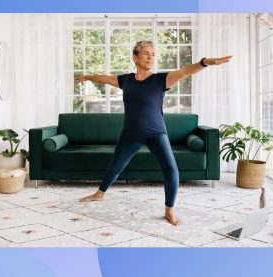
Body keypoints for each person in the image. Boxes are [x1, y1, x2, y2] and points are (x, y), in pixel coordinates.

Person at [75, 40, 231, 226]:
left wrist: (204, 62)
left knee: (171, 170)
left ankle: (169, 210)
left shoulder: (160, 80)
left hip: (156, 133)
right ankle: (99, 194)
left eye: (153, 54)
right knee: (115, 166)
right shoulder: (126, 80)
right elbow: (105, 78)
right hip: (130, 133)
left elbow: (185, 71)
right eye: (146, 53)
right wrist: (88, 77)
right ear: (135, 57)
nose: (151, 57)